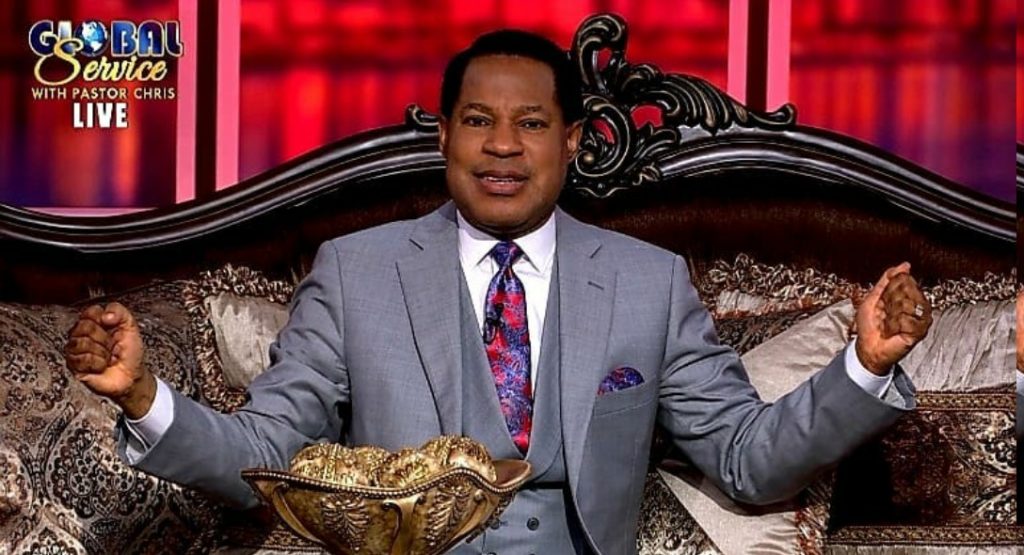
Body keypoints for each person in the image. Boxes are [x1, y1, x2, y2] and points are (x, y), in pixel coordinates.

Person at [64, 30, 933, 555]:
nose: (503, 146)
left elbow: (748, 456)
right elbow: (265, 456)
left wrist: (862, 364)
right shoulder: (355, 271)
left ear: (573, 141)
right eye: (479, 121)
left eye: (531, 123)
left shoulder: (648, 281)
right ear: (444, 135)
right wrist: (143, 396)